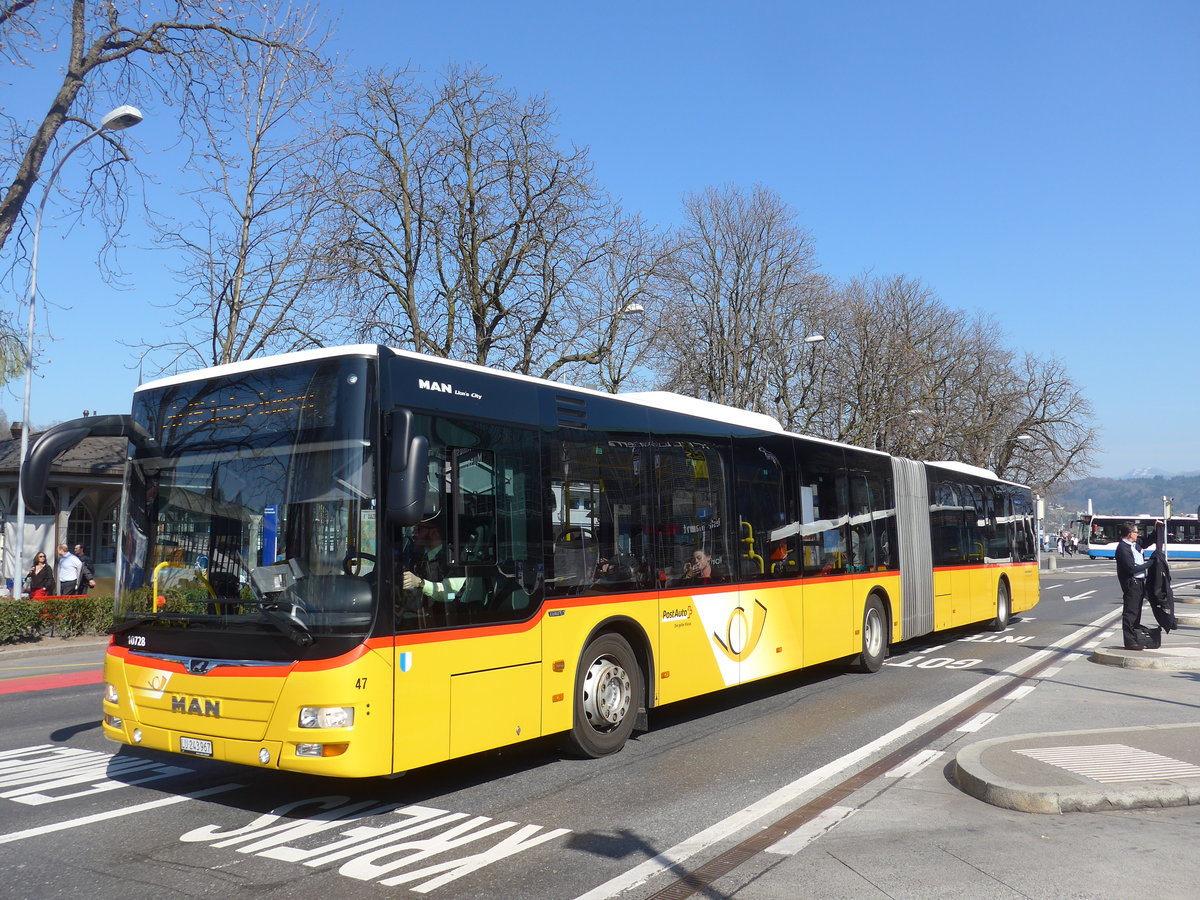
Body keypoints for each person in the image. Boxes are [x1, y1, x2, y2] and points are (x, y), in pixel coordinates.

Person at [1115, 521, 1160, 650]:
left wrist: (1156, 529)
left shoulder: (1134, 544)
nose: (1137, 534)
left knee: (1137, 611)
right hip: (1132, 583)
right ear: (1130, 534)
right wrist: (1151, 563)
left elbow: (1147, 541)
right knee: (1131, 612)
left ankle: (1135, 637)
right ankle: (1129, 641)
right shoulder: (1123, 548)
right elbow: (1131, 569)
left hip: (1140, 582)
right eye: (1136, 532)